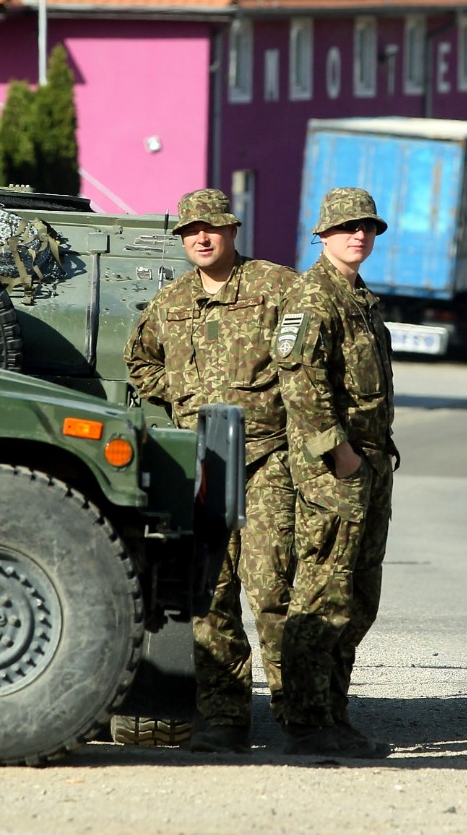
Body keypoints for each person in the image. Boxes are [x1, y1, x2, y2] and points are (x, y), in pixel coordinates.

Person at [124, 188, 297, 753]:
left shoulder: (275, 287)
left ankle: (301, 716)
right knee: (211, 597)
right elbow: (139, 359)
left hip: (266, 457)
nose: (202, 238)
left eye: (213, 229)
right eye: (192, 231)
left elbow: (314, 347)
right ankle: (223, 721)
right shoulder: (170, 300)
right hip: (202, 466)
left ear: (232, 232)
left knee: (272, 592)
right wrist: (179, 390)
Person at [271, 187, 398, 759]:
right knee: (322, 591)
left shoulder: (361, 299)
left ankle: (335, 713)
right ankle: (304, 721)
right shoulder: (311, 295)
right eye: (347, 227)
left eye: (367, 227)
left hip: (371, 461)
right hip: (335, 468)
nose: (359, 236)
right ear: (321, 235)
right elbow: (299, 377)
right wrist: (338, 452)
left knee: (359, 594)